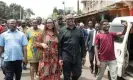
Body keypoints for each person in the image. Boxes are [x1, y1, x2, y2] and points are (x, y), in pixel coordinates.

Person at [59, 14, 86, 80]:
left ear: (74, 19)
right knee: (66, 74)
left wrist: (83, 56)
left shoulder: (79, 29)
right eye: (68, 19)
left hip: (77, 55)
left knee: (78, 73)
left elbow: (82, 44)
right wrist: (60, 57)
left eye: (71, 18)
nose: (70, 20)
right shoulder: (62, 30)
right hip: (66, 55)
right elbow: (60, 45)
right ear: (66, 21)